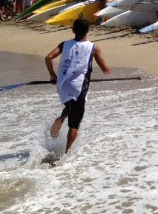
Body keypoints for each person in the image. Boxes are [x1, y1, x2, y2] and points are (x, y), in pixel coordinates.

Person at [45, 18, 112, 154]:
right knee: (75, 124)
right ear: (88, 31)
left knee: (71, 105)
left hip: (62, 85)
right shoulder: (93, 47)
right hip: (78, 87)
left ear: (73, 30)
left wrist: (52, 75)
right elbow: (105, 70)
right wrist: (108, 70)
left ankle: (62, 118)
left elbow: (48, 58)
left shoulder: (64, 44)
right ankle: (66, 154)